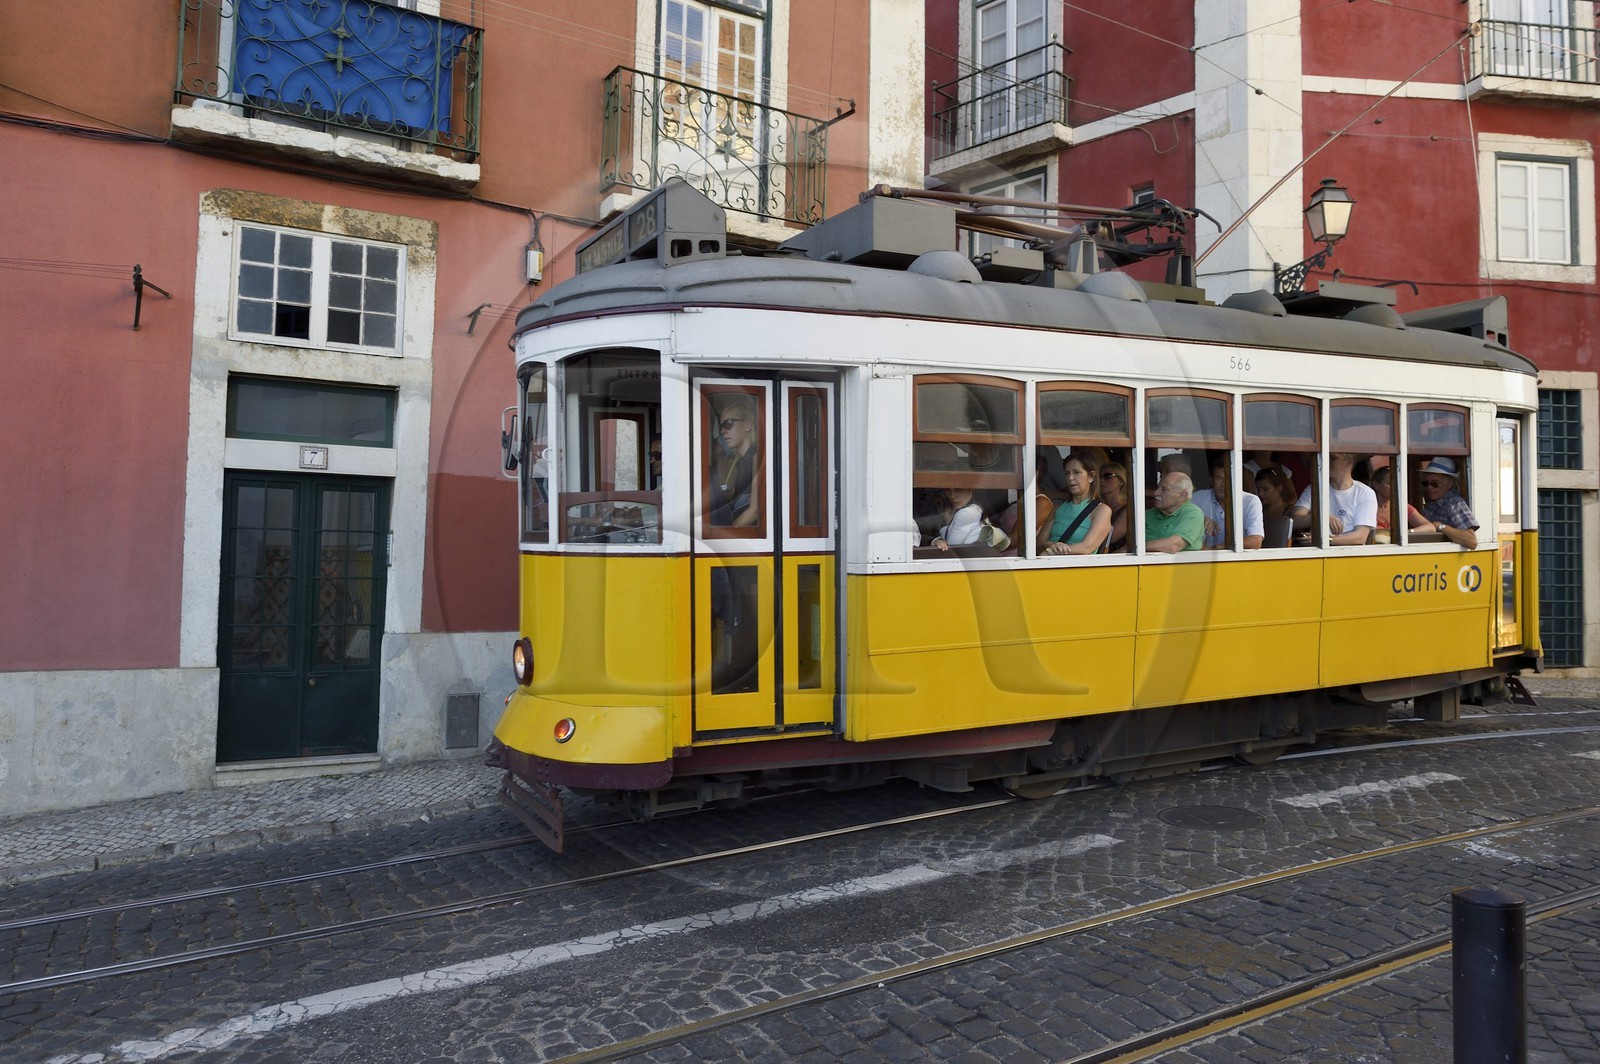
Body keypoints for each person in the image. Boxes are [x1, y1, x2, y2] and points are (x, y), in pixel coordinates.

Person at [1290, 452, 1376, 545]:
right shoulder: (1314, 489)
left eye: (1333, 458)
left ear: (1349, 462)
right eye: (1326, 458)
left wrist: (1325, 540)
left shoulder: (1365, 493)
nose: (1327, 462)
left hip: (1350, 554)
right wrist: (1321, 517)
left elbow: (1360, 537)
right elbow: (1294, 521)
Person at [1043, 454, 1111, 555]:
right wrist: (1050, 545)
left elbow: (1086, 548)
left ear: (1091, 476)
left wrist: (1053, 551)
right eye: (1067, 473)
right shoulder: (1058, 509)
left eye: (1077, 472)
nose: (1070, 478)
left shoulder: (1101, 510)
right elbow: (1038, 543)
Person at [707, 398, 759, 527]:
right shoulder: (736, 462)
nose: (722, 431)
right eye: (721, 426)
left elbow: (755, 510)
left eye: (728, 424)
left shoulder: (757, 457)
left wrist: (727, 534)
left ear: (747, 425)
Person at [1192, 457, 1263, 549]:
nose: (1224, 484)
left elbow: (1255, 541)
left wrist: (1217, 549)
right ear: (1211, 481)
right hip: (1203, 559)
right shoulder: (1198, 497)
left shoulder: (1250, 501)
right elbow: (1175, 512)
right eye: (1219, 478)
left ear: (1237, 480)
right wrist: (1201, 518)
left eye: (1229, 478)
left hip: (1238, 560)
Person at [1417, 456, 1479, 549]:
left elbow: (1471, 541)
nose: (1429, 488)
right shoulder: (1432, 502)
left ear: (1449, 483)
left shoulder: (1454, 503)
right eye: (1426, 483)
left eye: (1434, 484)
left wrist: (1440, 526)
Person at [1370, 459, 1432, 543]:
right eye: (1389, 483)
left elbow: (1430, 527)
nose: (1394, 486)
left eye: (1396, 482)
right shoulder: (1367, 506)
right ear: (1376, 485)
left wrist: (1407, 533)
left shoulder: (1402, 506)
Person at [1144, 471, 1204, 553]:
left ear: (1182, 496)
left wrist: (1137, 548)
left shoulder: (1193, 514)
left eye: (1164, 490)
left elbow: (1173, 545)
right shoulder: (1149, 514)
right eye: (1158, 488)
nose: (1156, 493)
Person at [931, 487, 984, 551]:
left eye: (958, 489)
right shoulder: (976, 508)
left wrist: (947, 522)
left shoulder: (966, 513)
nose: (952, 496)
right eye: (948, 489)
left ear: (972, 487)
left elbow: (950, 550)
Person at [1098, 460, 1131, 553]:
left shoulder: (1127, 510)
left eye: (1108, 476)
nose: (1101, 480)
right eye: (1099, 477)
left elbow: (1109, 538)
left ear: (1121, 481)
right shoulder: (1096, 506)